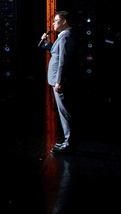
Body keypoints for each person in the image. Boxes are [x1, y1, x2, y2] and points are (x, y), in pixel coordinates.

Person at [40, 10, 78, 154]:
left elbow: (63, 61)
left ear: (64, 21)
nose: (53, 23)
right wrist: (48, 44)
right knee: (63, 111)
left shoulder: (66, 37)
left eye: (56, 20)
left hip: (59, 81)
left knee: (65, 112)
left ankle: (69, 142)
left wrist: (59, 81)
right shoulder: (62, 37)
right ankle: (68, 140)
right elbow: (56, 53)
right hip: (57, 80)